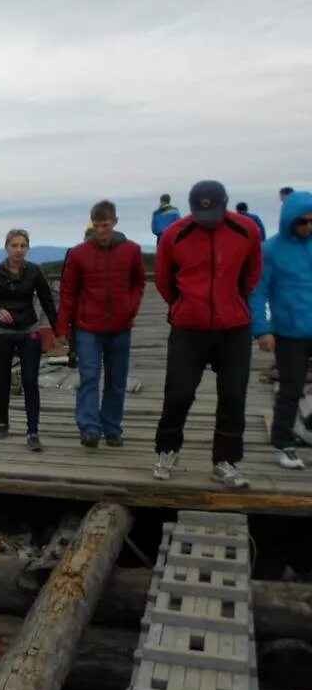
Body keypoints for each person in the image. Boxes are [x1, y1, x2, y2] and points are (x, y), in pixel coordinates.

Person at [152, 180, 263, 486]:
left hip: (235, 328)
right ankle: (167, 449)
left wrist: (236, 301)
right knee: (178, 393)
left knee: (233, 395)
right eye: (202, 214)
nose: (209, 219)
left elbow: (253, 271)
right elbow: (163, 280)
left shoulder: (246, 230)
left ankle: (225, 461)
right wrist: (184, 305)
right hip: (189, 327)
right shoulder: (175, 234)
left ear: (225, 204)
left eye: (214, 212)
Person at [55, 201, 146, 448]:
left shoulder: (132, 251)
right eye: (97, 226)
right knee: (89, 377)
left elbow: (139, 282)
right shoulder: (79, 254)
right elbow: (68, 292)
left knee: (117, 380)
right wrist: (63, 328)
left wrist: (131, 306)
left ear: (115, 222)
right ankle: (89, 428)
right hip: (88, 327)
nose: (101, 230)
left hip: (120, 326)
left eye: (105, 225)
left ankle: (112, 428)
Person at [0, 229, 57, 452]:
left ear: (27, 248)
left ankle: (33, 432)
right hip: (2, 333)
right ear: (7, 247)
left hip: (28, 331)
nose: (19, 250)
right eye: (14, 246)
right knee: (2, 381)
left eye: (23, 246)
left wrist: (59, 330)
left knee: (30, 381)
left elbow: (47, 300)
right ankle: (3, 422)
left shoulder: (34, 271)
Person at [250, 189, 312, 469]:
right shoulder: (271, 250)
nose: (308, 227)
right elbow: (257, 292)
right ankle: (284, 444)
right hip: (289, 331)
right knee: (291, 389)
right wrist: (262, 329)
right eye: (302, 222)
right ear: (290, 220)